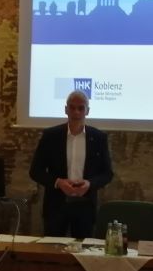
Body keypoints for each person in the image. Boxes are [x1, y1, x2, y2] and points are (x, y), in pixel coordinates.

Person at [29, 90, 114, 238]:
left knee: (83, 254)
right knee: (52, 251)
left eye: (81, 108)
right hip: (56, 205)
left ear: (87, 111)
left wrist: (89, 184)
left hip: (85, 205)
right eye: (72, 107)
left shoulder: (99, 138)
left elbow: (107, 173)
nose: (76, 112)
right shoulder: (51, 136)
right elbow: (35, 171)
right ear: (65, 109)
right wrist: (58, 182)